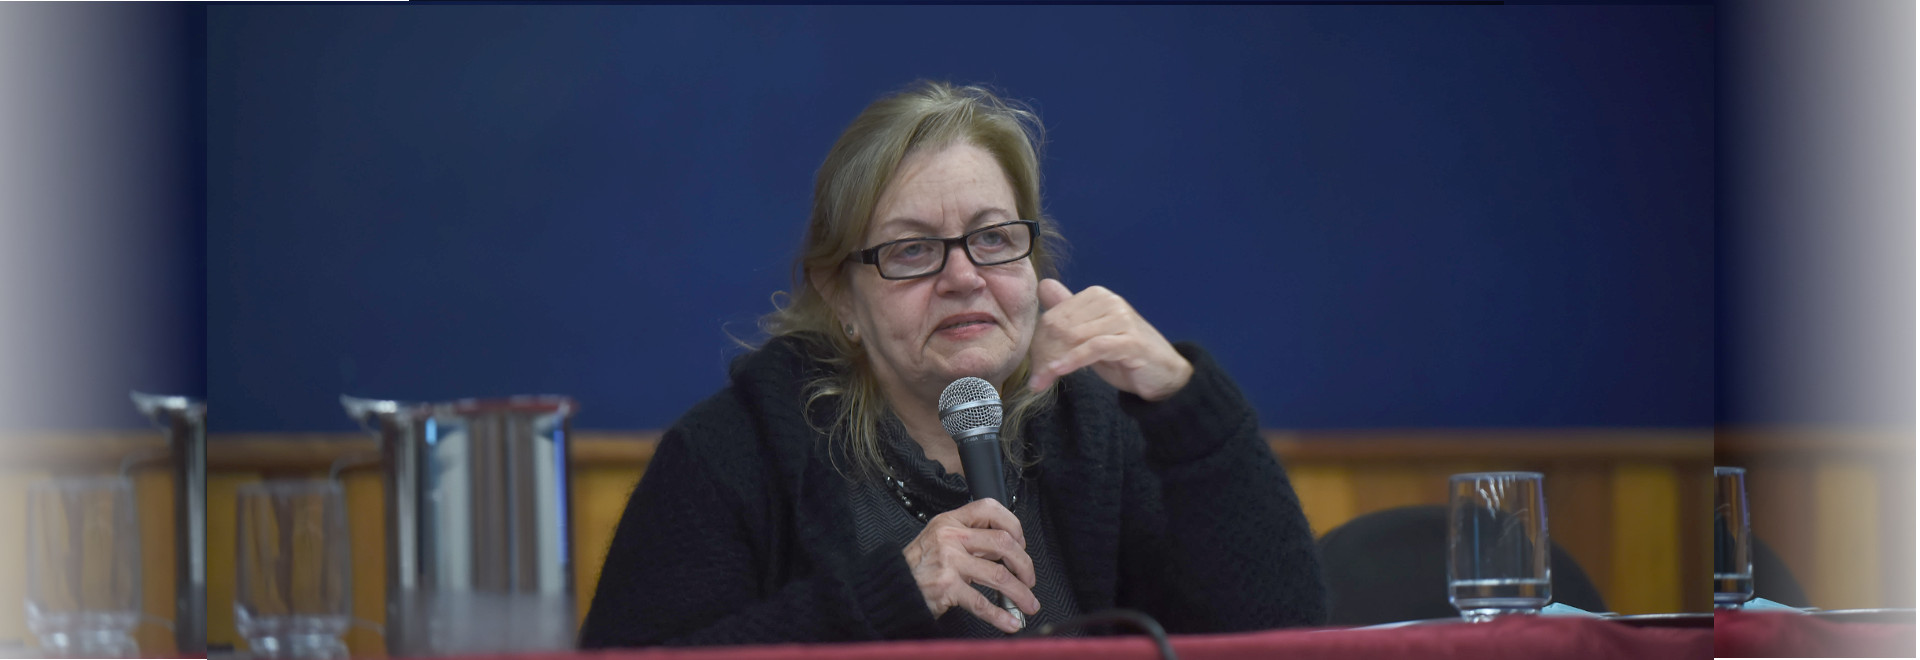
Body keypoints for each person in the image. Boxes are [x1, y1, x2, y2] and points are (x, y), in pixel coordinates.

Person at [578, 81, 1325, 647]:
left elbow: (1281, 636)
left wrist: (1185, 406)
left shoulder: (1097, 429)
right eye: (912, 250)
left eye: (994, 238)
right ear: (842, 296)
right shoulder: (730, 457)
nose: (964, 275)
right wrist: (887, 595)